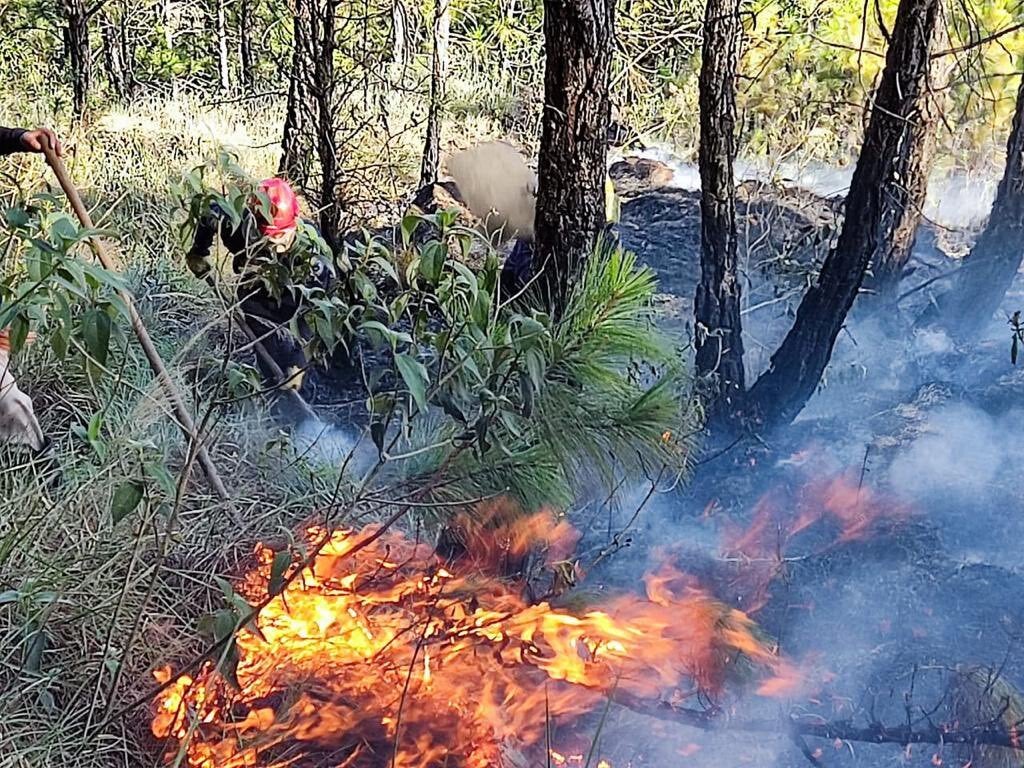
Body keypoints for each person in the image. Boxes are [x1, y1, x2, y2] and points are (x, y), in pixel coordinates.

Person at [186, 177, 344, 391]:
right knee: (268, 355)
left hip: (294, 305)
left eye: (281, 235)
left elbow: (311, 314)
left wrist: (299, 362)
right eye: (268, 235)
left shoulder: (312, 258)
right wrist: (199, 251)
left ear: (295, 221)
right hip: (254, 295)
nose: (275, 243)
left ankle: (302, 388)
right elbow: (210, 211)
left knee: (295, 367)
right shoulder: (238, 223)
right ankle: (273, 391)